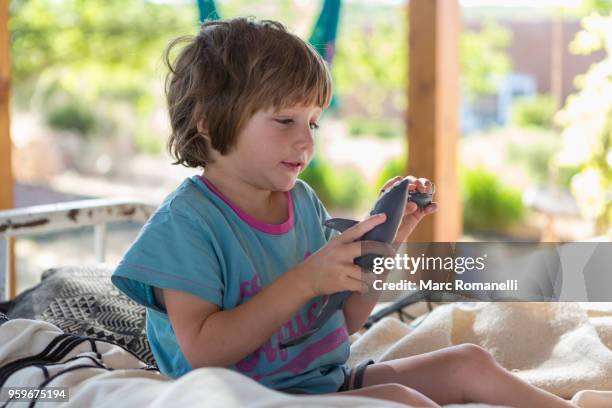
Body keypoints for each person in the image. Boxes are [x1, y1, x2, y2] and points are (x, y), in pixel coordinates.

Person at [112, 17, 576, 408]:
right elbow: (203, 353)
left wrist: (386, 243)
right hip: (247, 397)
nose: (306, 141)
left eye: (312, 122)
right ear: (210, 124)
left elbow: (343, 323)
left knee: (468, 362)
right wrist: (304, 280)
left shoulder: (302, 202)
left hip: (321, 384)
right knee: (403, 400)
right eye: (285, 120)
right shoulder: (187, 224)